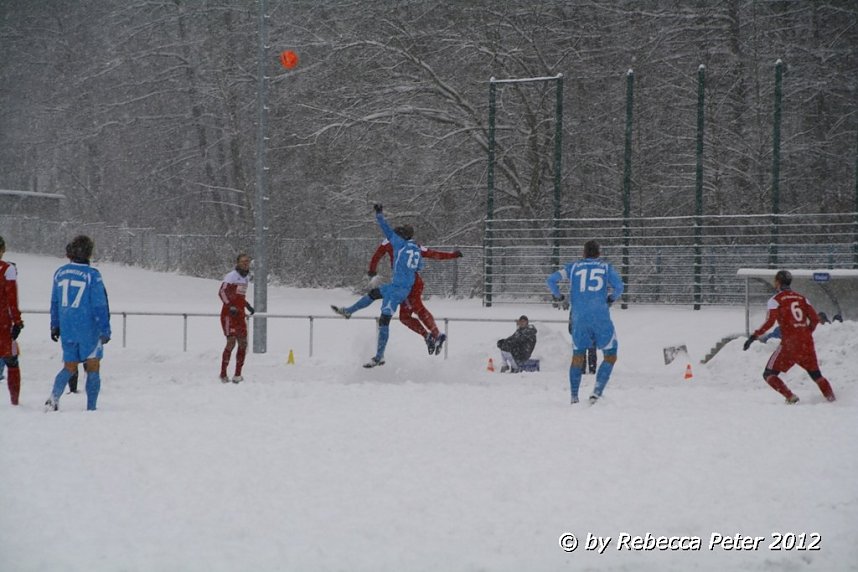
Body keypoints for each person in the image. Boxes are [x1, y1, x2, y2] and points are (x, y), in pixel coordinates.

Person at [332, 203, 423, 368]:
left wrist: (379, 213)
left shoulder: (399, 244)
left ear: (402, 236)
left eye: (398, 233)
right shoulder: (416, 248)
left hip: (397, 291)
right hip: (399, 287)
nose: (395, 235)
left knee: (384, 320)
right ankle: (348, 312)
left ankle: (379, 356)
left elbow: (385, 228)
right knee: (374, 293)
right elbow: (419, 267)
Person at [546, 240, 624, 404]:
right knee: (610, 355)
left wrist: (559, 296)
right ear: (599, 253)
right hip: (600, 317)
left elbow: (551, 280)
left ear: (583, 253)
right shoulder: (605, 268)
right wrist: (610, 299)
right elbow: (619, 287)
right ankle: (596, 391)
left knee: (578, 356)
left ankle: (574, 396)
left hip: (579, 318)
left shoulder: (573, 267)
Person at [742, 270, 836, 404]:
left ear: (777, 283)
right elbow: (815, 319)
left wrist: (753, 336)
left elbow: (770, 322)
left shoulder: (775, 300)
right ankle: (832, 399)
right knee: (816, 375)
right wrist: (806, 333)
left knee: (769, 374)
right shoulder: (802, 298)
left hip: (790, 344)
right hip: (806, 342)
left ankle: (790, 397)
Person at [45, 235, 111, 412]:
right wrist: (105, 328)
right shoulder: (92, 275)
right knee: (93, 365)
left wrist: (54, 324)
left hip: (67, 327)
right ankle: (91, 407)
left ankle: (54, 397)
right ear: (89, 253)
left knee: (69, 366)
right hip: (88, 327)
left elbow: (55, 302)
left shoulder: (60, 273)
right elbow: (99, 304)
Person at [367, 234, 462, 355]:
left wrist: (372, 270)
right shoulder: (413, 245)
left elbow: (377, 256)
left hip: (407, 284)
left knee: (411, 313)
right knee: (410, 313)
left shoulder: (389, 241)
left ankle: (434, 335)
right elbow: (433, 254)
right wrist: (452, 255)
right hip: (414, 281)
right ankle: (431, 335)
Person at [218, 253, 254, 383]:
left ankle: (238, 374)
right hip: (229, 315)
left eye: (247, 261)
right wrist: (230, 305)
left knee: (243, 343)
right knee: (231, 341)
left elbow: (240, 297)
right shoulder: (231, 276)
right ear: (238, 263)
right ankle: (223, 374)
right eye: (243, 261)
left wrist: (247, 305)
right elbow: (222, 292)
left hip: (240, 315)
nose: (246, 264)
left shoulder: (246, 278)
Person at [0, 236, 24, 406]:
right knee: (11, 360)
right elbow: (11, 298)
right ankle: (14, 401)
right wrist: (17, 321)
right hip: (3, 322)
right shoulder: (7, 269)